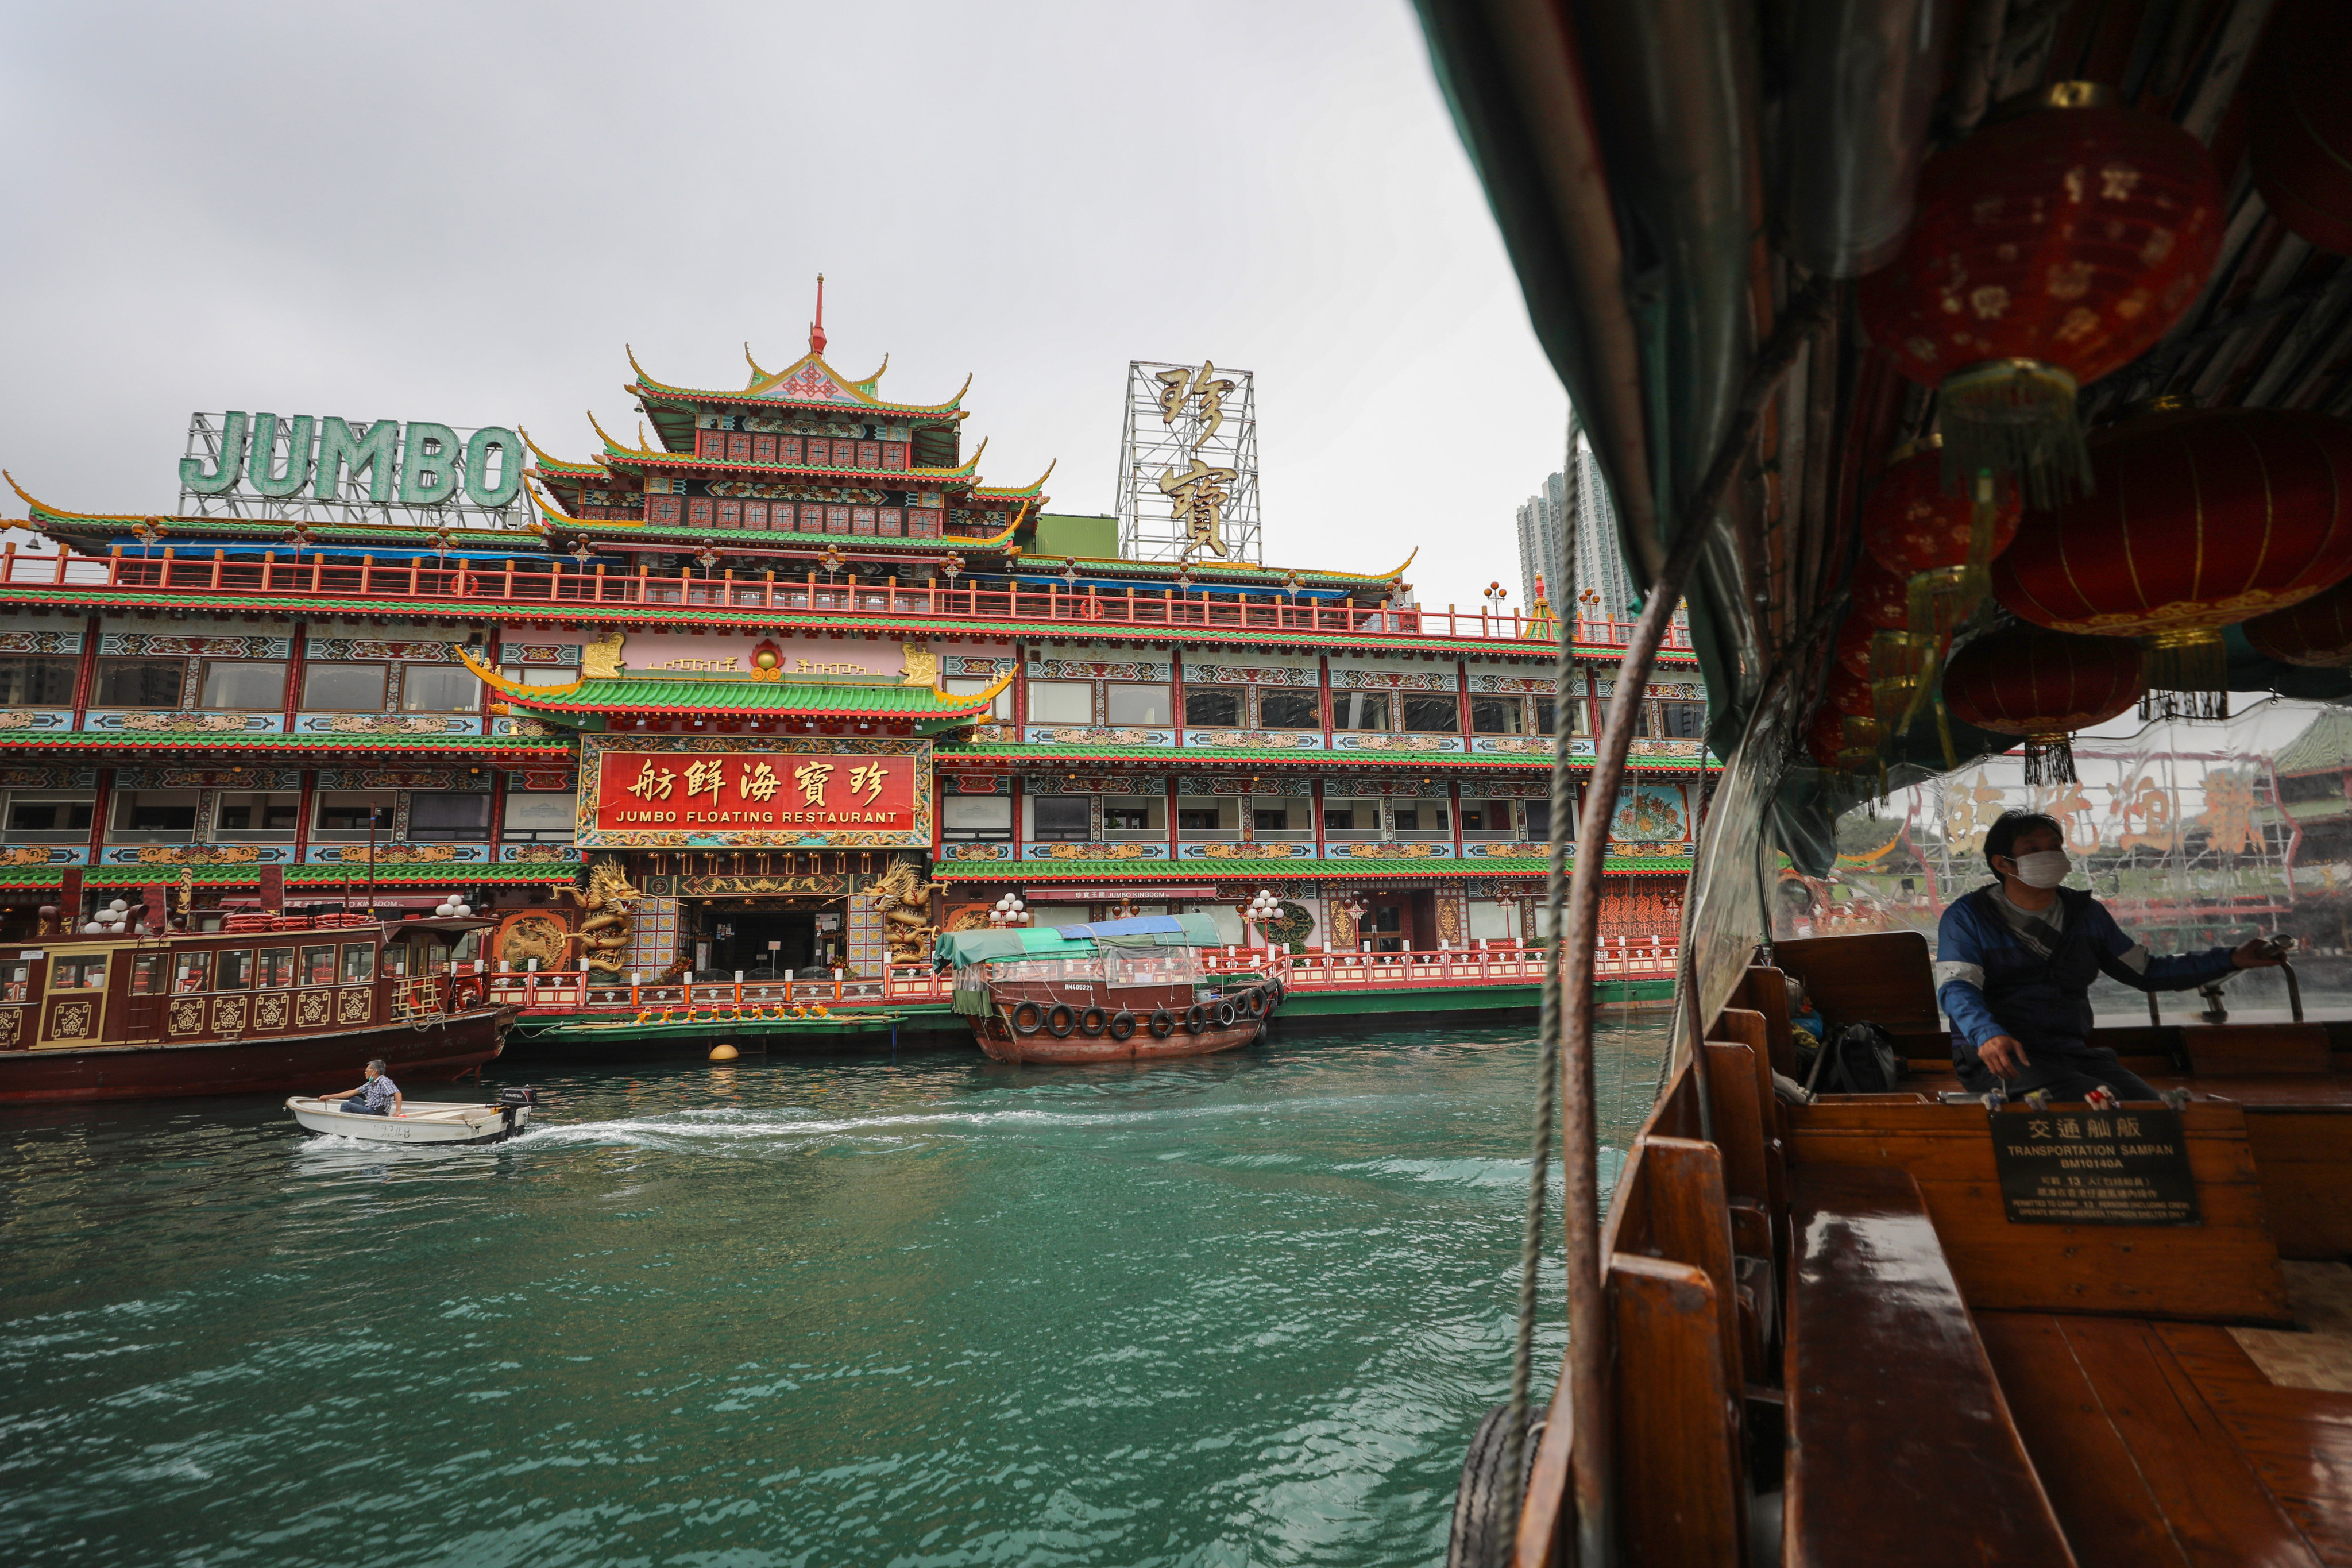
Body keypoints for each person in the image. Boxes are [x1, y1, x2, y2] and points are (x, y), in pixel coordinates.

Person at [1936, 810, 2287, 1102]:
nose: (2050, 855)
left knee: (2151, 1107)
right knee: (2102, 1100)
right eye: (2033, 848)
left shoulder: (2086, 914)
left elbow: (2146, 971)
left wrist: (2231, 959)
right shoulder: (1968, 917)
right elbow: (1957, 987)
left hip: (2070, 1052)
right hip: (1999, 1057)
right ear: (2004, 864)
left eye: (2055, 847)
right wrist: (1986, 1034)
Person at [322, 1059, 403, 1117]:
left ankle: (348, 1127)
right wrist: (329, 1097)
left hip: (377, 1113)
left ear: (375, 1071)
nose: (365, 1072)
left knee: (346, 1106)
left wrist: (398, 1110)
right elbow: (351, 1092)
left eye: (367, 1070)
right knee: (354, 1099)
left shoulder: (384, 1081)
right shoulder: (371, 1083)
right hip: (370, 1108)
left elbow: (397, 1094)